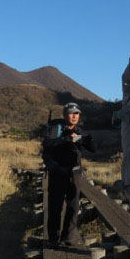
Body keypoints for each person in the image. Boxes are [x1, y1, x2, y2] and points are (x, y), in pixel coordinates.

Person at [42, 101, 95, 246]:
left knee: (73, 206)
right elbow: (47, 146)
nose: (74, 116)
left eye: (77, 113)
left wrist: (81, 138)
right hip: (58, 172)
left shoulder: (80, 131)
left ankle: (68, 237)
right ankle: (53, 238)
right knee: (55, 206)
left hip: (75, 173)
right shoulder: (56, 129)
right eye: (71, 113)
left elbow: (92, 148)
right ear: (65, 115)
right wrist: (66, 139)